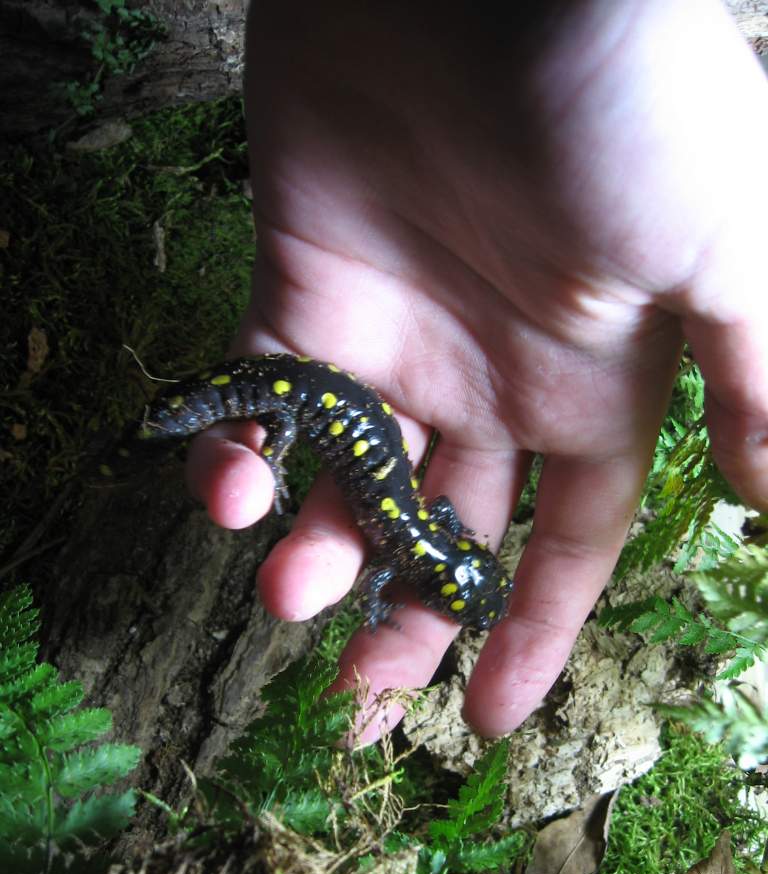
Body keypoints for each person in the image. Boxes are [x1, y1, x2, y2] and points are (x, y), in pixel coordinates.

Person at [185, 0, 768, 744]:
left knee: (273, 418)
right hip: (329, 396)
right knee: (275, 421)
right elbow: (390, 581)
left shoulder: (431, 531)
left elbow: (446, 529)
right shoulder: (403, 554)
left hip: (338, 395)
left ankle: (225, 415)